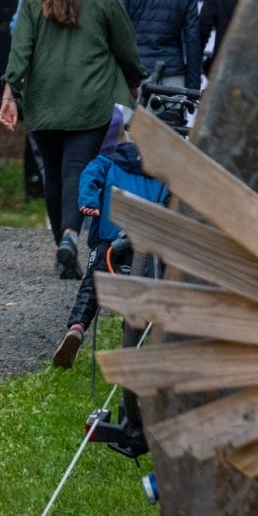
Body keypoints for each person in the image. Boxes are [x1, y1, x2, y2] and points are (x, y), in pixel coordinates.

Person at [0, 0, 143, 281]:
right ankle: (69, 236)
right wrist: (135, 80)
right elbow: (126, 50)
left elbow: (20, 52)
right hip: (90, 100)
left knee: (53, 174)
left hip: (43, 102)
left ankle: (62, 247)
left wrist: (10, 94)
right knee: (76, 169)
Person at [52, 110, 164, 369]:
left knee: (92, 285)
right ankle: (133, 340)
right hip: (147, 240)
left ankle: (77, 328)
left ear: (128, 134)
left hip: (108, 236)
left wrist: (89, 202)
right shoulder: (164, 173)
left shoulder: (107, 161)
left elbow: (88, 177)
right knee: (144, 288)